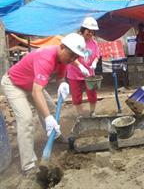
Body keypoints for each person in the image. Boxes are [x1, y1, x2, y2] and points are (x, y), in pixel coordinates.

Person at [0, 33, 86, 174]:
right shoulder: (46, 57)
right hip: (14, 84)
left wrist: (62, 84)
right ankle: (28, 165)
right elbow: (36, 92)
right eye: (71, 55)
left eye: (76, 57)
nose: (72, 59)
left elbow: (59, 78)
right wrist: (47, 118)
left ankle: (55, 136)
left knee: (51, 108)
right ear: (62, 47)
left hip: (31, 84)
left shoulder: (64, 60)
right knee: (26, 119)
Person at [66, 17, 100, 116]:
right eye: (88, 31)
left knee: (92, 94)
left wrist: (94, 62)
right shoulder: (76, 40)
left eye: (92, 32)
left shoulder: (94, 42)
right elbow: (70, 56)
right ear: (83, 30)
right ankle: (80, 115)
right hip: (74, 73)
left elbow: (97, 55)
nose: (90, 33)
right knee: (76, 96)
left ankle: (92, 112)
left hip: (89, 74)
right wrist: (80, 66)